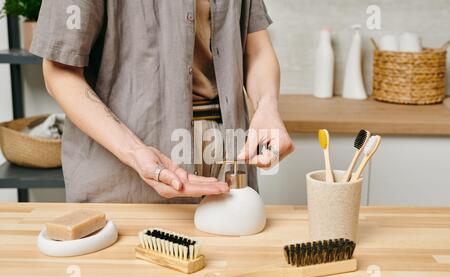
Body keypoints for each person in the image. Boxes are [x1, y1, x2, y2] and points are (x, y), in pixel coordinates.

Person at [31, 0, 294, 203]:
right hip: (125, 179)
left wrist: (267, 107)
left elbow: (256, 48)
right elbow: (59, 72)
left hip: (228, 169)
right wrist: (134, 152)